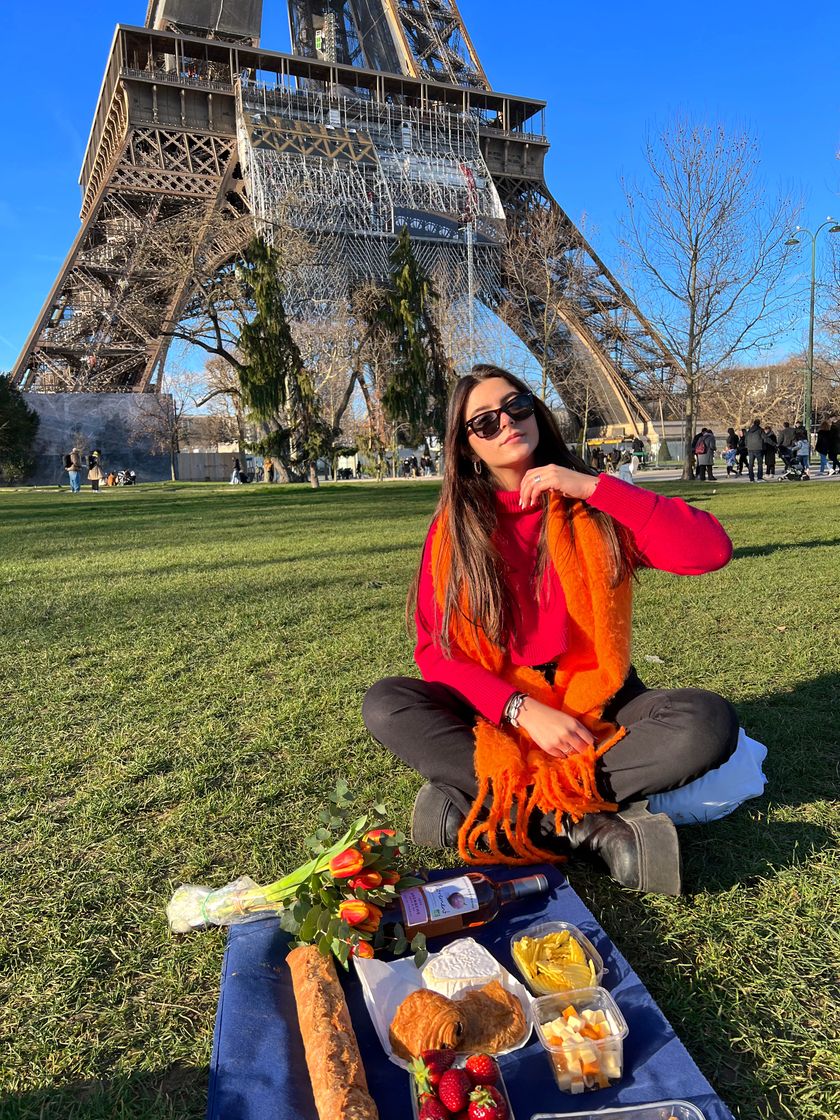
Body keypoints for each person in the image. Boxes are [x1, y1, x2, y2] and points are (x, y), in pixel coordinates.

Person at [362, 365, 737, 897]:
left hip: (596, 703)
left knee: (705, 721)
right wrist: (520, 709)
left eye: (517, 406)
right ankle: (584, 827)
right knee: (386, 702)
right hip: (498, 708)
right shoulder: (454, 529)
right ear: (466, 446)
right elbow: (435, 652)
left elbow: (710, 551)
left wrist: (590, 486)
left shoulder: (595, 503)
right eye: (485, 422)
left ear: (536, 410)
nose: (507, 423)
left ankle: (494, 806)